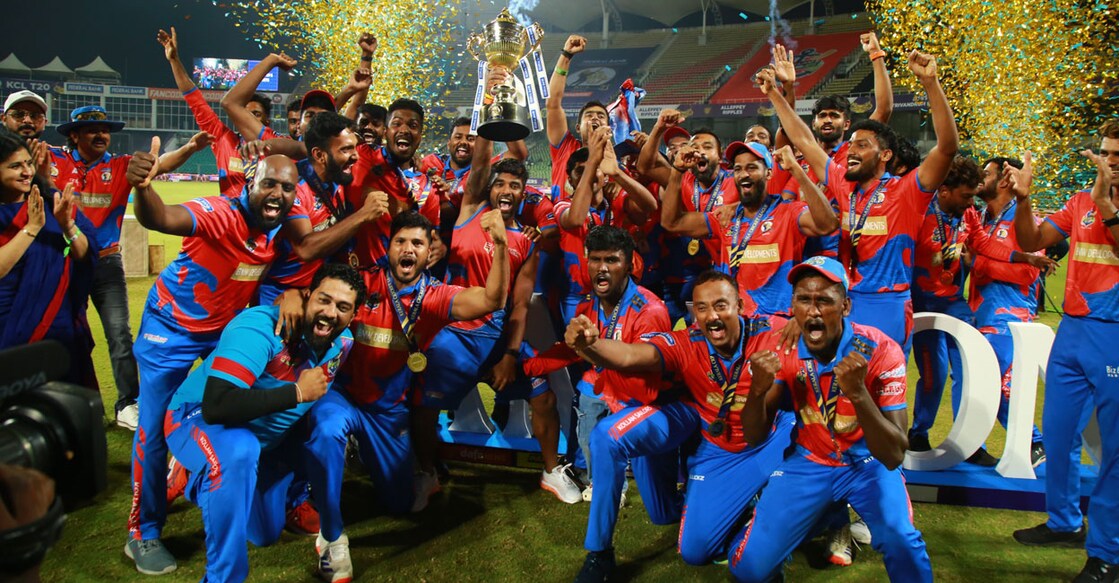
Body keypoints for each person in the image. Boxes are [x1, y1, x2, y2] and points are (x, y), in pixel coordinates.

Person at [305, 210, 509, 582]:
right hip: (345, 397)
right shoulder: (363, 283)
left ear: (430, 251)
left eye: (417, 242)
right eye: (400, 241)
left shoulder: (433, 298)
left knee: (400, 504)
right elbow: (317, 293)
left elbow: (492, 300)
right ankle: (333, 540)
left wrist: (500, 244)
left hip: (389, 413)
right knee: (326, 428)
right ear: (389, 247)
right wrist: (289, 294)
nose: (408, 249)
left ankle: (364, 456)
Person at [123, 148, 299, 575]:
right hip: (171, 328)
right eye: (269, 184)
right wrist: (143, 189)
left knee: (234, 410)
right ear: (251, 180)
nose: (277, 194)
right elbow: (161, 219)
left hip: (223, 332)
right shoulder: (221, 213)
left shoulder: (279, 230)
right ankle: (142, 532)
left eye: (288, 188)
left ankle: (201, 474)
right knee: (154, 425)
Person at [564, 270, 795, 582]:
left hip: (771, 439)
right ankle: (600, 553)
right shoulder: (687, 342)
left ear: (740, 305)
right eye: (701, 308)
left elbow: (827, 341)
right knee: (693, 550)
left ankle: (799, 528)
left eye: (721, 306)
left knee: (807, 474)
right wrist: (589, 346)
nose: (712, 316)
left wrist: (802, 321)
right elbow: (631, 355)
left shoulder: (774, 333)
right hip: (719, 447)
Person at [729, 256, 932, 582]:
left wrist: (859, 394)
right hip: (810, 461)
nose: (813, 310)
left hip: (869, 465)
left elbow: (893, 455)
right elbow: (753, 437)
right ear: (792, 305)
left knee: (901, 540)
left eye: (824, 300)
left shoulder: (881, 350)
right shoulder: (783, 350)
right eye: (804, 300)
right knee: (751, 569)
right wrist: (756, 391)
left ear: (846, 306)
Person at [163, 264, 362, 582]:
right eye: (323, 300)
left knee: (266, 533)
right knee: (237, 450)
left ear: (353, 316)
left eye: (342, 307)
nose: (329, 312)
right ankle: (222, 576)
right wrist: (296, 392)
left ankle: (196, 476)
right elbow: (217, 405)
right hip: (196, 417)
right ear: (307, 296)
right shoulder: (261, 328)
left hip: (260, 445)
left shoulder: (343, 344)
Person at [760, 48, 958, 357]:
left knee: (881, 391)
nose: (851, 151)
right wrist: (774, 93)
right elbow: (804, 141)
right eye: (850, 144)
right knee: (840, 385)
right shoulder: (844, 186)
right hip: (845, 298)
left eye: (862, 146)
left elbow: (946, 148)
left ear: (886, 156)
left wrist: (931, 84)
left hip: (887, 303)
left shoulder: (907, 191)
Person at [414, 135, 575, 507]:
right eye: (500, 183)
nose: (506, 190)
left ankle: (551, 471)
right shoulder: (470, 207)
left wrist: (510, 355)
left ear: (523, 194)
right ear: (489, 186)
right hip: (453, 332)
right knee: (423, 405)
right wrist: (487, 111)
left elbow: (519, 305)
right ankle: (426, 472)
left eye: (515, 186)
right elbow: (482, 162)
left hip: (497, 334)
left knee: (543, 395)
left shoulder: (525, 241)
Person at [49, 105, 209, 430]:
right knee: (65, 334)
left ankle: (127, 404)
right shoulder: (53, 161)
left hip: (106, 261)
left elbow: (160, 164)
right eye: (93, 129)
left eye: (105, 129)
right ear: (74, 135)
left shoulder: (121, 166)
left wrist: (191, 148)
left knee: (119, 335)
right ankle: (64, 400)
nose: (101, 134)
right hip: (64, 261)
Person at [1009, 119, 1119, 583]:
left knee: (1114, 451)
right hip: (1072, 332)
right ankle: (1064, 522)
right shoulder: (1078, 202)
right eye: (1106, 152)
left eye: (1117, 154)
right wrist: (1024, 199)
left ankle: (1108, 555)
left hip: (1114, 334)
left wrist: (1105, 205)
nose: (1109, 161)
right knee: (1057, 435)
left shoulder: (1094, 202)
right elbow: (1031, 242)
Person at [908, 155, 1051, 460]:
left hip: (958, 303)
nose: (971, 201)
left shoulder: (970, 214)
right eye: (966, 195)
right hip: (921, 303)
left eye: (974, 194)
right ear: (945, 191)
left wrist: (1025, 258)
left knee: (975, 370)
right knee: (934, 376)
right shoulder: (919, 212)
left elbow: (984, 244)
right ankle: (918, 434)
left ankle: (972, 444)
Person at [660, 140, 838, 318]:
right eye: (737, 169)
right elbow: (672, 223)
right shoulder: (725, 217)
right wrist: (677, 171)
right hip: (734, 323)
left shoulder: (788, 212)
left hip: (775, 324)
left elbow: (828, 224)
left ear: (768, 173)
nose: (744, 174)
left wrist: (796, 171)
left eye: (752, 168)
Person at [257, 111, 389, 306]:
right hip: (280, 296)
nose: (355, 156)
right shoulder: (295, 188)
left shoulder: (336, 178)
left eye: (355, 148)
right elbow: (305, 248)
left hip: (315, 291)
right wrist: (363, 215)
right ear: (319, 155)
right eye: (346, 149)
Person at [966, 154, 1047, 465]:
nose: (979, 179)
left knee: (1001, 387)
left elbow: (1028, 273)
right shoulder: (983, 218)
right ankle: (975, 444)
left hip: (1007, 317)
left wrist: (979, 263)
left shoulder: (1025, 220)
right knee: (982, 386)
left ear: (1003, 180)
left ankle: (1034, 443)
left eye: (985, 174)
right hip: (979, 313)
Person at [0, 129, 97, 386]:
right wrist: (31, 229)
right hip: (8, 330)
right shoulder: (26, 216)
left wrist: (67, 226)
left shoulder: (50, 202)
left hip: (58, 327)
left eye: (29, 163)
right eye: (15, 166)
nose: (27, 172)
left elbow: (83, 254)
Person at [157, 26, 277, 198]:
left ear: (267, 122)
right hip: (229, 221)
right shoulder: (223, 140)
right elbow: (195, 101)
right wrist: (174, 61)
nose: (248, 117)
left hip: (266, 222)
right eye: (244, 112)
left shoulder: (278, 148)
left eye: (256, 114)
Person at [546, 34, 610, 194]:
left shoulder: (613, 161)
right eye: (589, 115)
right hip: (560, 218)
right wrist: (566, 56)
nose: (595, 117)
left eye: (601, 116)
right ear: (577, 127)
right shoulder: (565, 147)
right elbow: (552, 104)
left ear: (609, 129)